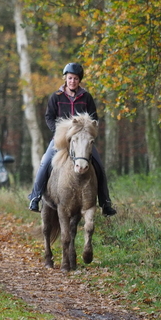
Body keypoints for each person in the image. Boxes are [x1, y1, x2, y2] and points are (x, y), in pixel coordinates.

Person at [28, 62, 117, 216]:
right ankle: (35, 197)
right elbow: (49, 117)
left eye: (75, 78)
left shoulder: (86, 97)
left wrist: (88, 130)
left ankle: (105, 202)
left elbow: (94, 117)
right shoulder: (56, 97)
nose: (72, 81)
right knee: (44, 163)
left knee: (99, 166)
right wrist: (58, 132)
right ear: (65, 79)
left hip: (81, 141)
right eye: (70, 78)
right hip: (61, 140)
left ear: (79, 80)